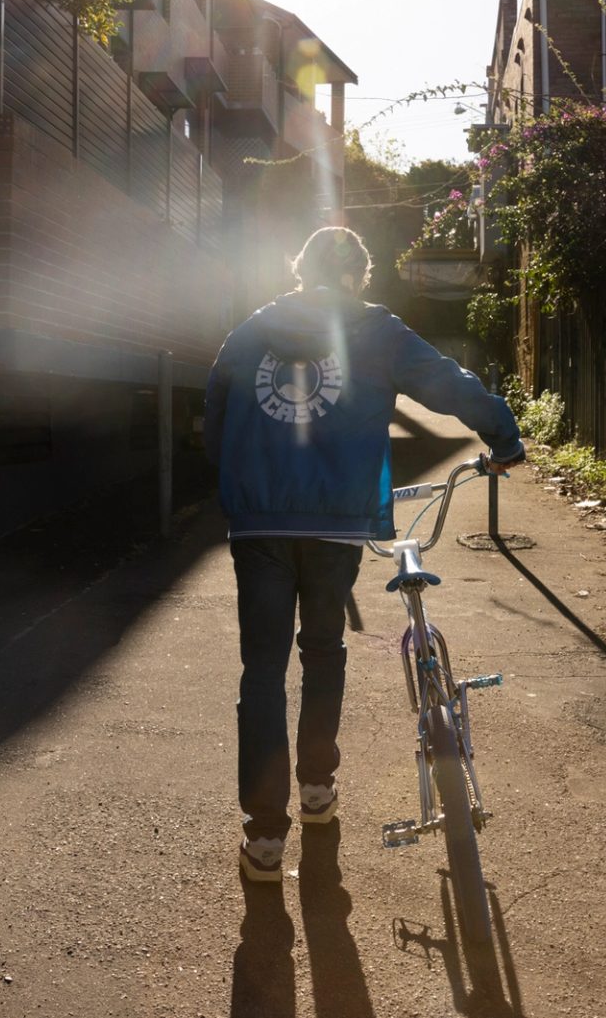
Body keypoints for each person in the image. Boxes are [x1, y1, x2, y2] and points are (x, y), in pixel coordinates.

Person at [204, 226, 525, 882]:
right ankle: (317, 786)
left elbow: (215, 413)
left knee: (262, 669)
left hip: (261, 524)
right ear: (356, 276)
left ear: (302, 270)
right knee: (323, 648)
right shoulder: (373, 328)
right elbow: (446, 382)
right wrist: (502, 432)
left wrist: (239, 486)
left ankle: (264, 836)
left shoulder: (250, 330)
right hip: (337, 522)